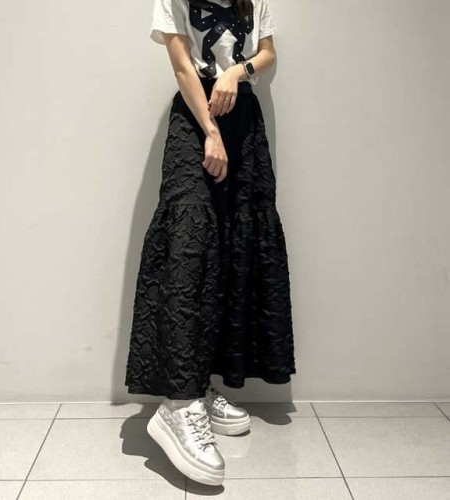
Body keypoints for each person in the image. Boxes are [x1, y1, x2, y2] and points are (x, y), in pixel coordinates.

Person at [124, 0, 296, 486]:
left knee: (232, 251)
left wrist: (236, 72)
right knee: (187, 250)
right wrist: (211, 133)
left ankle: (200, 385)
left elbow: (267, 53)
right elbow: (183, 66)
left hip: (245, 122)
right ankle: (178, 403)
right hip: (196, 119)